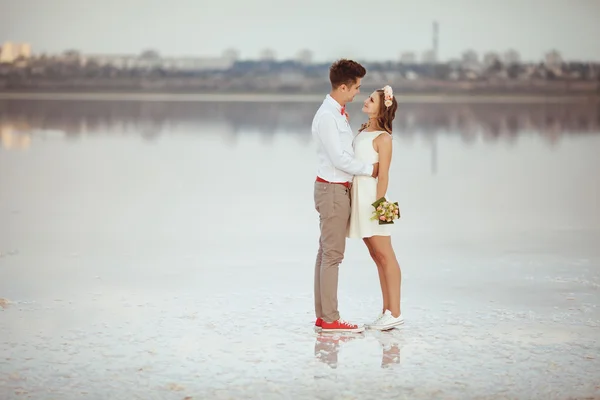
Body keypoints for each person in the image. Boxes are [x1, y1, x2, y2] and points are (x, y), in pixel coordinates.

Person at [312, 59, 379, 333]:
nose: (357, 94)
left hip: (334, 189)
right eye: (356, 88)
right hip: (332, 190)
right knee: (332, 256)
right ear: (343, 86)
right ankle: (330, 319)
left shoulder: (336, 113)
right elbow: (340, 159)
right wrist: (370, 170)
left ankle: (323, 316)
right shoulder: (328, 116)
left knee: (326, 253)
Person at [347, 85, 404, 330]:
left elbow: (384, 176)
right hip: (359, 198)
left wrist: (379, 206)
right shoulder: (363, 131)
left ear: (382, 108)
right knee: (376, 255)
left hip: (374, 200)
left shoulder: (384, 138)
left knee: (386, 255)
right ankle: (386, 311)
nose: (366, 101)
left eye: (371, 100)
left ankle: (396, 311)